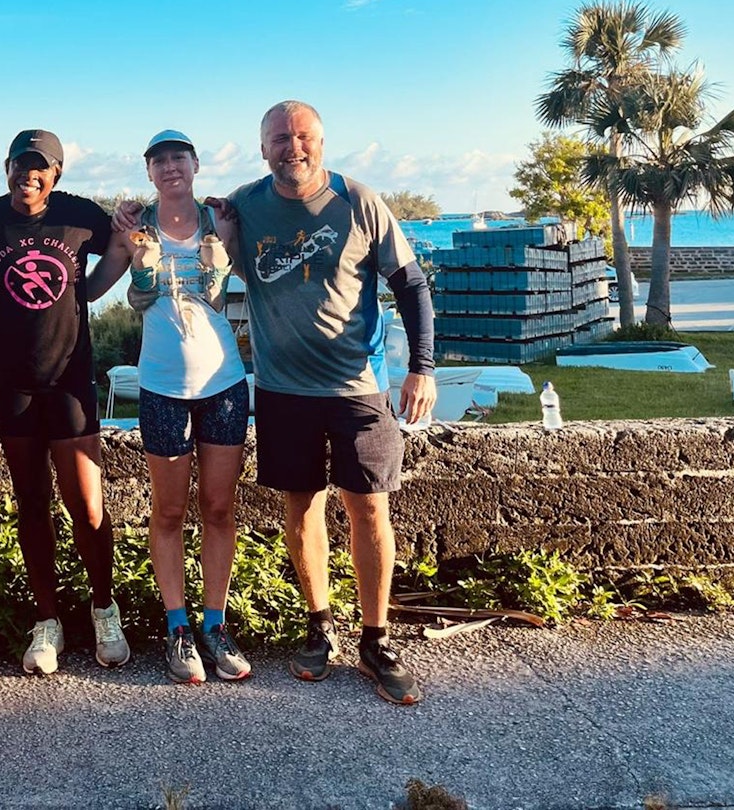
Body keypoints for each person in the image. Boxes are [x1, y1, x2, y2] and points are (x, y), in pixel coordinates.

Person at [224, 100, 437, 705]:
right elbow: (212, 255)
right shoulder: (243, 204)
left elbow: (411, 284)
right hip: (283, 389)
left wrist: (421, 368)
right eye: (279, 138)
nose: (293, 146)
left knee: (369, 509)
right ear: (262, 147)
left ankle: (376, 638)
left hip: (358, 387)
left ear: (322, 142)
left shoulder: (360, 201)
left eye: (303, 136)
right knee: (301, 507)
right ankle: (320, 625)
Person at [0, 129, 133, 675]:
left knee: (86, 504)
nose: (28, 175)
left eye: (39, 167)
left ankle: (104, 607)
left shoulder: (80, 214)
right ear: (6, 167)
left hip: (70, 380)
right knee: (30, 502)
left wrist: (90, 290)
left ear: (56, 173)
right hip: (10, 385)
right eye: (19, 165)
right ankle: (47, 619)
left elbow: (124, 248)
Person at [86, 130, 251, 684]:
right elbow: (89, 289)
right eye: (159, 160)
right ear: (149, 172)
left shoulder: (220, 220)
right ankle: (177, 627)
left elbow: (267, 269)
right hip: (161, 385)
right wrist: (113, 231)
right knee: (170, 511)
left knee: (220, 508)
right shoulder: (135, 228)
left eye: (179, 157)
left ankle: (215, 624)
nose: (170, 167)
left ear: (196, 164)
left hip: (224, 382)